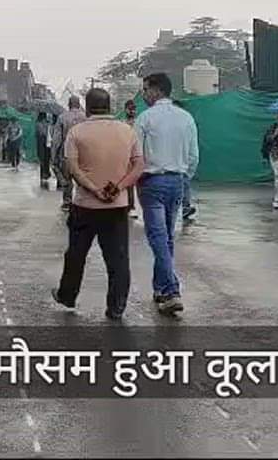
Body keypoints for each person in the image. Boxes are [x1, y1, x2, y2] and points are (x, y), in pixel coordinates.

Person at [51, 88, 143, 321]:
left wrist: (94, 189)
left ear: (87, 107)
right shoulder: (127, 131)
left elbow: (72, 167)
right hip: (117, 205)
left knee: (76, 255)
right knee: (118, 259)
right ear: (110, 106)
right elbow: (139, 166)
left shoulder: (76, 132)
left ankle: (67, 296)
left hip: (85, 206)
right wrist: (118, 188)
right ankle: (116, 307)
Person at [134, 73, 199, 316]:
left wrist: (137, 180)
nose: (143, 94)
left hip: (153, 182)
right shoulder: (186, 118)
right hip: (177, 181)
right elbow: (193, 157)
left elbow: (136, 156)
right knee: (167, 236)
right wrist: (184, 178)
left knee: (158, 237)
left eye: (145, 89)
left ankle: (171, 290)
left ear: (156, 90)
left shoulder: (145, 119)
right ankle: (161, 288)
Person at [52, 96, 88, 211]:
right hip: (83, 153)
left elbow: (56, 139)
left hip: (66, 153)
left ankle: (67, 202)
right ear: (78, 104)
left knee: (67, 179)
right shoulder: (86, 118)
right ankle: (82, 201)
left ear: (69, 104)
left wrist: (54, 156)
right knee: (82, 178)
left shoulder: (62, 117)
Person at [35, 111, 53, 189]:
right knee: (42, 159)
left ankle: (45, 174)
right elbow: (41, 133)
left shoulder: (47, 124)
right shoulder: (38, 124)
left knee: (46, 159)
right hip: (41, 144)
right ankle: (43, 175)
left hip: (46, 144)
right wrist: (46, 127)